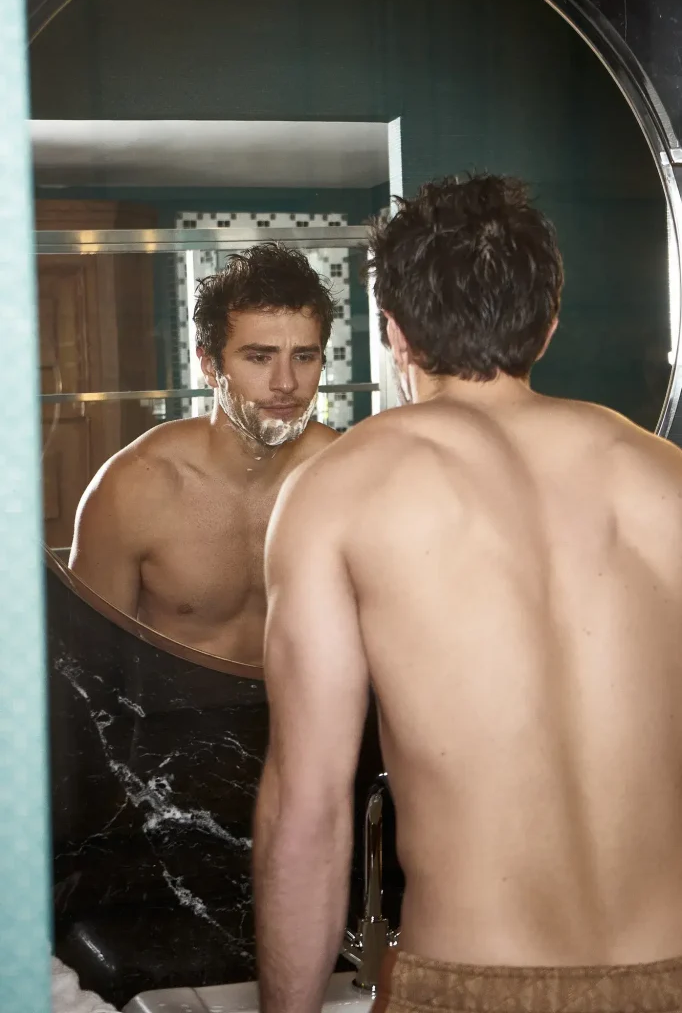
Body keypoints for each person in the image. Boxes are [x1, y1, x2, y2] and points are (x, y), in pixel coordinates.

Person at [253, 174, 682, 1013]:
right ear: (548, 322)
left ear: (394, 331)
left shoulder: (340, 490)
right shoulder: (665, 478)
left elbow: (310, 816)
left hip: (471, 985)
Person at [69, 243, 337, 664]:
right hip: (173, 706)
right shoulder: (133, 488)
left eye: (304, 356)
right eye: (259, 357)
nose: (286, 382)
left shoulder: (346, 477)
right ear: (210, 365)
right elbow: (87, 666)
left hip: (312, 702)